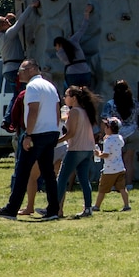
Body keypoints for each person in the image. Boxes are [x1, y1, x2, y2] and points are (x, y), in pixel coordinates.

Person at [0, 60, 62, 220]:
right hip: (51, 132)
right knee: (48, 173)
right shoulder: (50, 86)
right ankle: (53, 210)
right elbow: (57, 110)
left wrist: (28, 134)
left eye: (21, 70)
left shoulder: (32, 87)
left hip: (37, 133)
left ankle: (11, 209)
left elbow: (33, 111)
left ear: (31, 70)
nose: (18, 74)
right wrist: (55, 129)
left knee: (22, 171)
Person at [53, 84, 102, 217]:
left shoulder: (74, 111)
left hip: (76, 149)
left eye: (67, 95)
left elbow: (71, 133)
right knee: (84, 180)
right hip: (87, 149)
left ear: (73, 98)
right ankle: (88, 208)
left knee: (62, 178)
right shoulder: (85, 111)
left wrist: (56, 141)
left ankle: (54, 208)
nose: (64, 98)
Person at [0, 0, 36, 94]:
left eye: (6, 20)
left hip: (7, 70)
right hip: (15, 69)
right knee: (21, 94)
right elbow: (20, 22)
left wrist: (5, 18)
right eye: (4, 22)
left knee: (17, 95)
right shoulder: (9, 34)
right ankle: (15, 109)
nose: (7, 21)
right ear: (1, 26)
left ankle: (14, 109)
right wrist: (31, 6)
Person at [51, 2, 95, 88]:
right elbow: (82, 29)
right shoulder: (73, 40)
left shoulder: (60, 53)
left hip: (72, 74)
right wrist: (86, 13)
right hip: (85, 72)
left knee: (72, 95)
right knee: (86, 94)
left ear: (58, 44)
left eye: (56, 47)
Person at [94, 118, 130, 212]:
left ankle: (97, 206)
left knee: (102, 189)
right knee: (122, 188)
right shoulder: (119, 138)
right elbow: (119, 145)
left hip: (109, 170)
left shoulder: (108, 141)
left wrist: (98, 154)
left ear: (109, 128)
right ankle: (127, 205)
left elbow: (106, 154)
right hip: (120, 168)